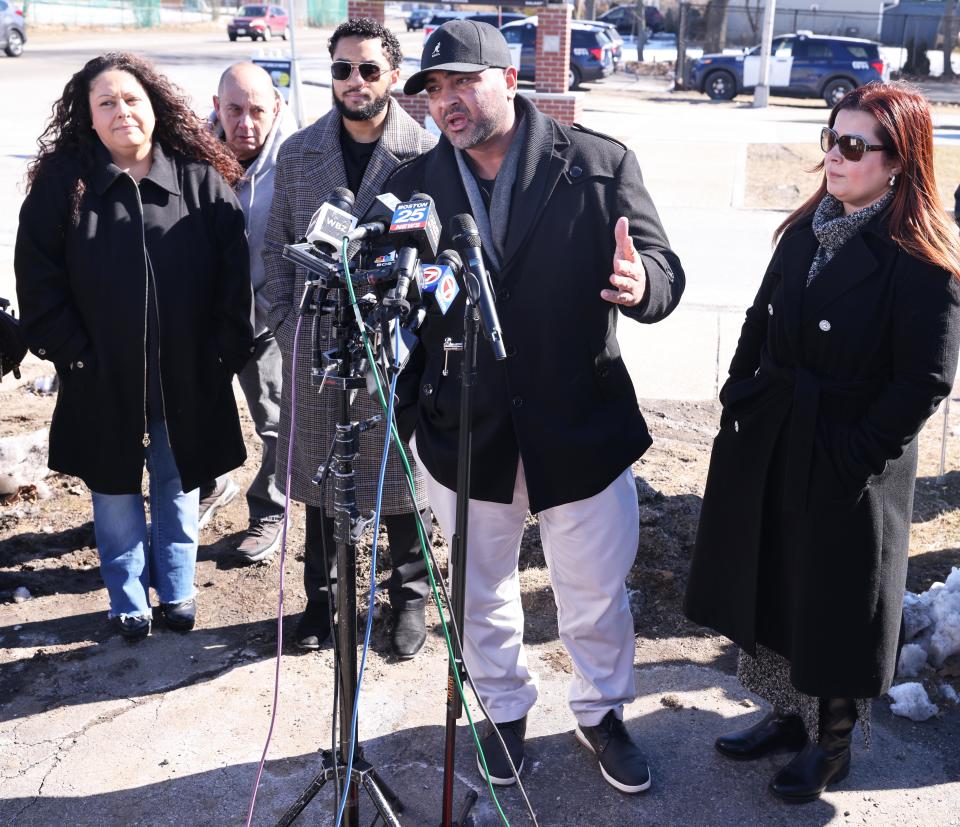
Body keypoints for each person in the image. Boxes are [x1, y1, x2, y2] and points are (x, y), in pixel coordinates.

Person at [387, 20, 685, 794]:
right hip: (463, 431)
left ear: (510, 80)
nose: (447, 101)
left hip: (578, 422)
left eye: (462, 83)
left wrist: (642, 283)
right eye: (433, 89)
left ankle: (601, 712)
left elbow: (662, 265)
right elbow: (386, 294)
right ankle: (504, 709)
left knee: (592, 590)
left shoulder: (598, 162)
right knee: (479, 590)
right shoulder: (410, 182)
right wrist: (413, 411)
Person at [684, 82, 960, 804]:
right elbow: (758, 317)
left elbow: (925, 378)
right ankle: (783, 713)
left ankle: (831, 742)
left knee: (836, 602)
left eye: (853, 145)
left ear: (898, 161)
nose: (834, 157)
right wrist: (739, 391)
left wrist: (856, 454)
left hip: (847, 456)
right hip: (774, 434)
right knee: (774, 578)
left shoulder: (922, 256)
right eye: (830, 140)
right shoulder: (811, 225)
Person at [14, 53, 253, 642]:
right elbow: (38, 281)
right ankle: (127, 601)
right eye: (106, 103)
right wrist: (75, 357)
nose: (122, 111)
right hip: (102, 375)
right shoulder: (62, 188)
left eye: (131, 99)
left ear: (155, 108)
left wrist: (221, 353)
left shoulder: (198, 178)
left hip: (186, 375)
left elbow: (234, 276)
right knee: (114, 488)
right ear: (87, 118)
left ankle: (177, 590)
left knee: (179, 484)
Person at [263, 18, 437, 658]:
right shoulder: (301, 152)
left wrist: (413, 336)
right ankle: (323, 600)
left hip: (392, 346)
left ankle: (409, 599)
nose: (354, 81)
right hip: (318, 343)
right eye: (342, 69)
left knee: (398, 483)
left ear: (393, 75)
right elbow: (278, 252)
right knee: (320, 481)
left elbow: (437, 253)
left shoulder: (426, 155)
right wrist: (291, 332)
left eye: (368, 69)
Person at [198, 62, 299, 563]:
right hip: (204, 318)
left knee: (277, 421)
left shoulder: (297, 159)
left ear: (276, 108)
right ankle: (213, 485)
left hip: (266, 319)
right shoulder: (187, 153)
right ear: (217, 107)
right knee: (190, 414)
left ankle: (270, 509)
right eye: (234, 109)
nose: (246, 123)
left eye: (257, 110)